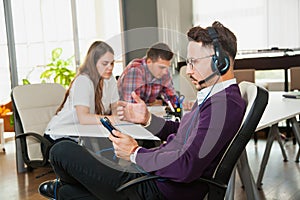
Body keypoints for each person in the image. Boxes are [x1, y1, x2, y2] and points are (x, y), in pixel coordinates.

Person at [39, 21, 246, 200]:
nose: (189, 70)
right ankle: (65, 191)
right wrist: (148, 119)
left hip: (158, 189)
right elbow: (183, 130)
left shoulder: (224, 106)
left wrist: (135, 153)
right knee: (68, 193)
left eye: (194, 62)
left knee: (61, 151)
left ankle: (65, 189)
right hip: (158, 176)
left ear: (221, 62)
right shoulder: (218, 99)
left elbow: (186, 166)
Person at [44, 41, 119, 142]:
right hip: (60, 137)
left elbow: (115, 107)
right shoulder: (83, 80)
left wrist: (117, 118)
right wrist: (113, 120)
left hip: (83, 135)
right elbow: (84, 118)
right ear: (93, 62)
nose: (110, 67)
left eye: (112, 63)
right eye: (105, 63)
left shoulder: (110, 79)